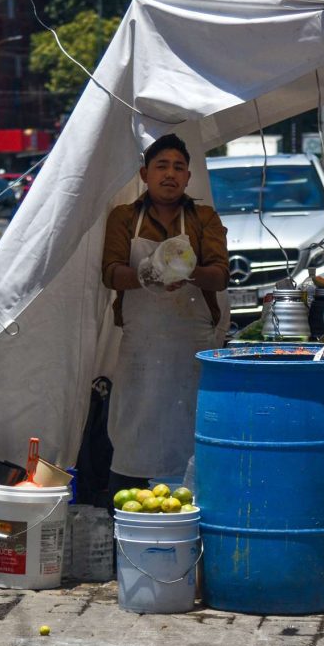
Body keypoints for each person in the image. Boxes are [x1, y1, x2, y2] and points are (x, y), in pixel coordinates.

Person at [101, 134, 229, 496]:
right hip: (140, 349)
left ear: (189, 177)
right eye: (161, 166)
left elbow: (220, 274)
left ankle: (190, 503)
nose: (170, 174)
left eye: (178, 167)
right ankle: (128, 508)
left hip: (190, 349)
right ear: (145, 173)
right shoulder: (125, 217)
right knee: (134, 429)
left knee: (189, 430)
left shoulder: (204, 218)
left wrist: (185, 272)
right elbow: (110, 272)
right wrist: (147, 275)